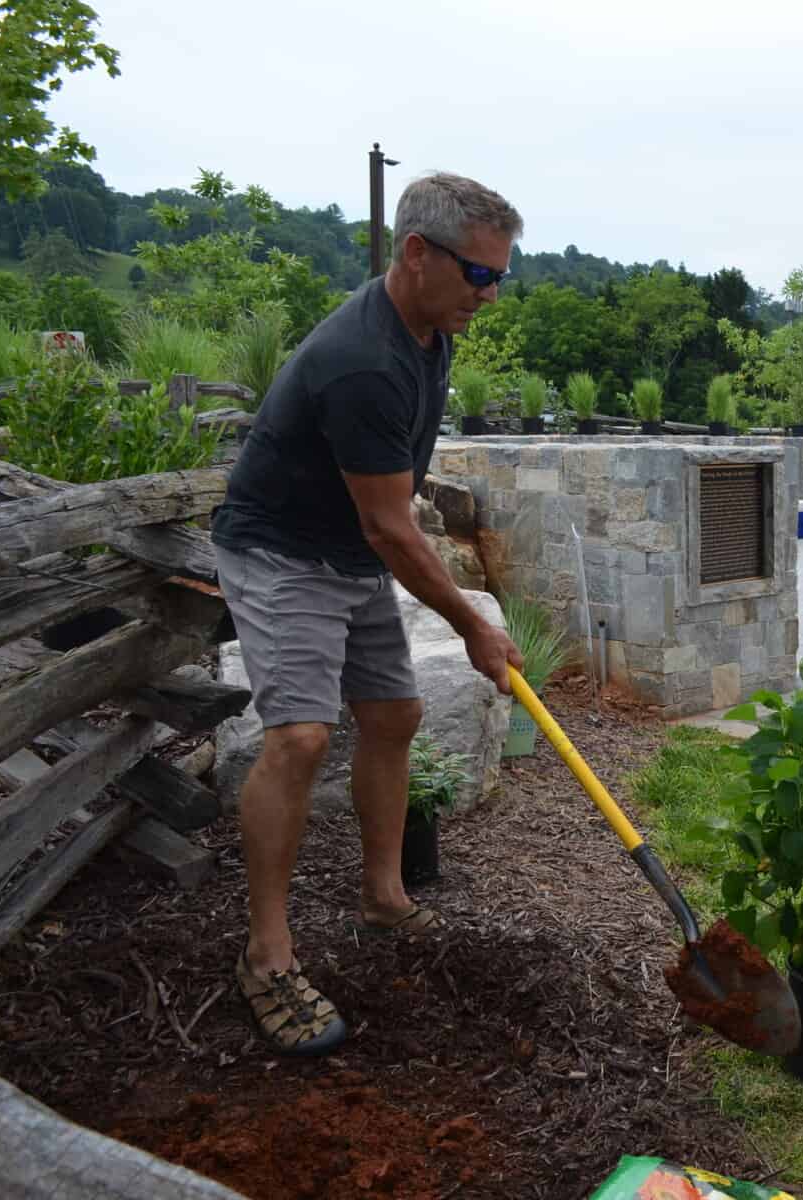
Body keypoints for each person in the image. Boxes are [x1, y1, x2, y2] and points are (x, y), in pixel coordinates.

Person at [211, 172, 526, 1054]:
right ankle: (267, 959)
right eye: (479, 275)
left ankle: (384, 898)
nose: (490, 295)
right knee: (302, 736)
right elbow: (391, 525)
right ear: (417, 254)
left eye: (502, 276)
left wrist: (427, 578)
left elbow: (389, 508)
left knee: (394, 713)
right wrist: (471, 619)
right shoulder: (363, 359)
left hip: (350, 546)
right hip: (279, 549)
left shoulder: (431, 328)